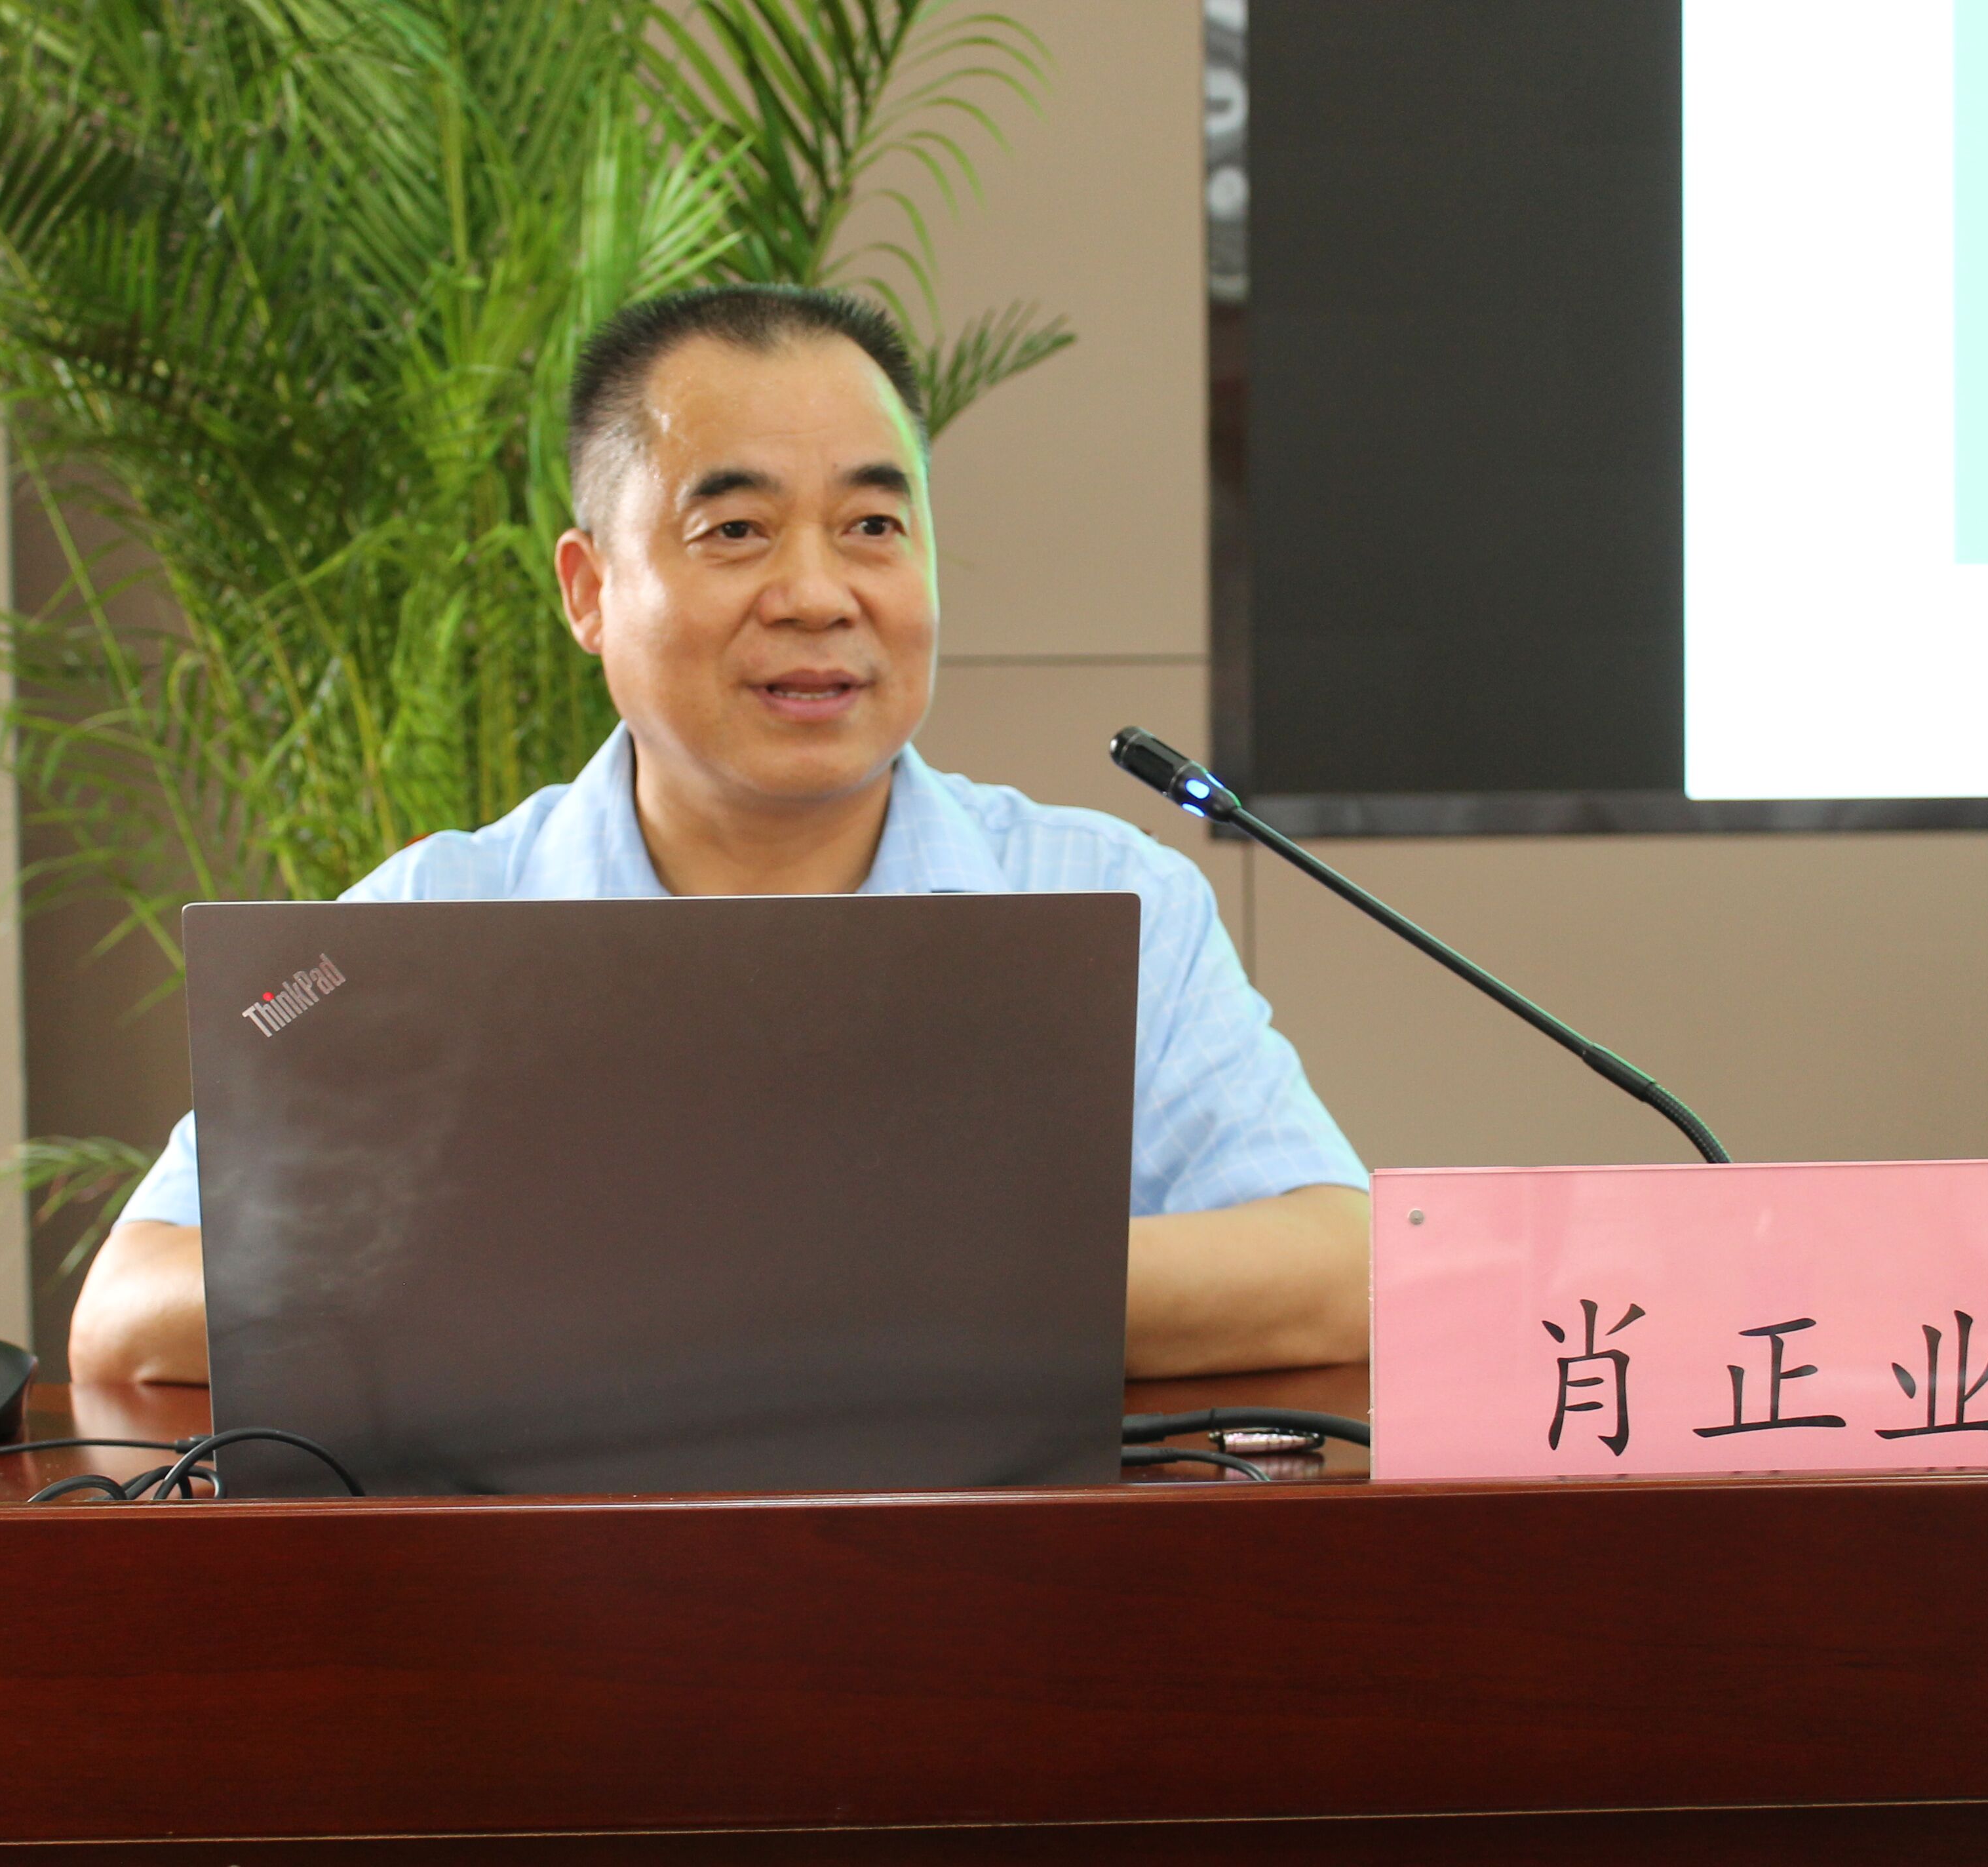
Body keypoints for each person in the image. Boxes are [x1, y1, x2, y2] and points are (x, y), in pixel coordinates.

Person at [69, 285, 1367, 1384]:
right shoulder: (403, 932)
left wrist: (834, 1290)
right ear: (589, 591)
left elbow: (1344, 1266)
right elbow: (135, 1311)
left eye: (872, 527)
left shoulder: (1104, 896)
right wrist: (776, 1294)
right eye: (736, 531)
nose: (816, 594)